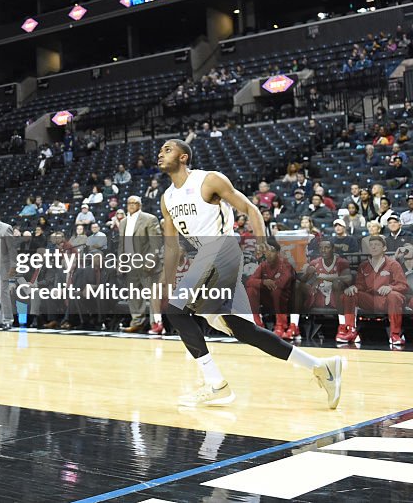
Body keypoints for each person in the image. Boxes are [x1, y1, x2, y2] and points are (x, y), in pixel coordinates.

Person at [157, 138, 343, 409]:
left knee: (176, 311)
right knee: (244, 331)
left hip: (222, 250)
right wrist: (168, 282)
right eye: (161, 150)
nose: (161, 153)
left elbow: (250, 208)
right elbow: (172, 247)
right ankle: (322, 368)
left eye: (167, 149)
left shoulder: (208, 181)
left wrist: (260, 242)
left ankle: (216, 385)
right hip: (204, 259)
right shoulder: (167, 198)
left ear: (184, 157)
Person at [338, 235, 408, 347]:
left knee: (394, 296)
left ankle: (395, 334)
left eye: (377, 245)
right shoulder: (363, 265)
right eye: (371, 245)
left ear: (384, 248)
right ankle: (351, 331)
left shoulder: (393, 264)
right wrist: (354, 287)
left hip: (387, 300)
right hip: (370, 299)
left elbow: (403, 285)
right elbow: (360, 285)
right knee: (349, 294)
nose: (373, 247)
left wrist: (390, 288)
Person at [118, 196, 163, 334]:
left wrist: (152, 259)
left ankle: (155, 324)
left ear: (140, 205)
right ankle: (137, 322)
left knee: (152, 295)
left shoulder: (150, 219)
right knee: (134, 294)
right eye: (129, 203)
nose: (131, 205)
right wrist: (121, 260)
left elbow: (156, 242)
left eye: (134, 203)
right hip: (130, 262)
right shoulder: (123, 221)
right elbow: (122, 244)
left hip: (146, 262)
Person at [244, 240, 298, 340]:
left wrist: (269, 283)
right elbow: (250, 281)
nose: (268, 253)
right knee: (251, 290)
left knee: (277, 291)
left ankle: (280, 326)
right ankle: (257, 324)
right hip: (269, 296)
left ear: (278, 253)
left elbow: (282, 283)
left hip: (286, 298)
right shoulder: (263, 265)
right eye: (267, 251)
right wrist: (263, 282)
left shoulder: (286, 264)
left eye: (272, 251)